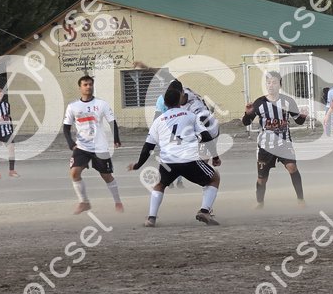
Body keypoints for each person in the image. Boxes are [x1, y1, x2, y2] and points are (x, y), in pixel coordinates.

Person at [127, 84, 220, 226]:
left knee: (160, 185)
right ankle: (204, 211)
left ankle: (151, 218)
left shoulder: (158, 121)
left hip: (168, 162)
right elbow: (206, 136)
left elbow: (148, 147)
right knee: (214, 178)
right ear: (179, 101)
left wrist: (138, 165)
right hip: (190, 160)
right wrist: (215, 157)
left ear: (165, 104)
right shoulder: (191, 116)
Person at [242, 71, 307, 207]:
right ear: (266, 85)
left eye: (274, 82)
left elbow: (298, 121)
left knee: (292, 167)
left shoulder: (288, 101)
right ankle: (260, 203)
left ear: (280, 85)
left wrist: (303, 116)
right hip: (265, 146)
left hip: (284, 143)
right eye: (268, 82)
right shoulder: (259, 102)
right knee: (262, 178)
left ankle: (301, 200)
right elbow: (246, 122)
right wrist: (247, 114)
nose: (271, 85)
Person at [63, 74, 124, 215]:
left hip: (100, 146)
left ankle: (118, 201)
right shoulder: (73, 106)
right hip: (82, 146)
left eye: (90, 84)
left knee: (107, 176)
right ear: (80, 87)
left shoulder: (101, 104)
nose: (88, 87)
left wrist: (116, 138)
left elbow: (112, 121)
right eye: (85, 84)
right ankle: (84, 202)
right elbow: (66, 128)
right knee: (74, 173)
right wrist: (70, 143)